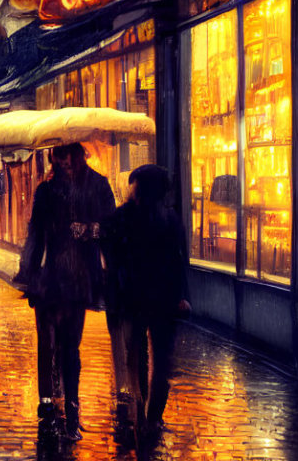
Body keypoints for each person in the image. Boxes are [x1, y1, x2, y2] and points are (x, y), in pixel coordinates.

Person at [14, 142, 115, 442]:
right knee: (46, 345)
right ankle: (47, 405)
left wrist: (89, 231)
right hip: (50, 279)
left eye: (68, 154)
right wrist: (28, 274)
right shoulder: (46, 192)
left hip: (80, 279)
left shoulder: (98, 186)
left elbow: (111, 229)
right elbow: (35, 235)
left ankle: (72, 407)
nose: (64, 161)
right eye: (58, 155)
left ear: (78, 153)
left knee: (70, 348)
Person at [101, 164, 191, 443]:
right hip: (156, 299)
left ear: (140, 189)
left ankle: (145, 413)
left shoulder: (125, 217)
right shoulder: (168, 219)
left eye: (135, 186)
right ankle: (151, 417)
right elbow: (180, 261)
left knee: (140, 357)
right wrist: (182, 296)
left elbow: (110, 254)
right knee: (157, 362)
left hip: (139, 298)